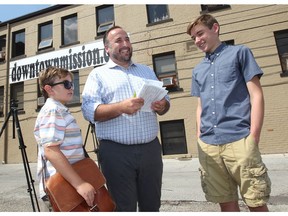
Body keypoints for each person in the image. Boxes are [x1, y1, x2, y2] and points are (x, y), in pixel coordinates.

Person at [186, 14, 271, 212]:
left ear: (215, 28)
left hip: (240, 139)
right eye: (193, 38)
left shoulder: (240, 53)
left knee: (256, 202)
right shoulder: (198, 70)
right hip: (209, 145)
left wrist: (253, 137)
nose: (197, 40)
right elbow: (200, 106)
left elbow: (256, 95)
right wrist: (199, 137)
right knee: (226, 204)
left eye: (200, 34)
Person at [81, 26, 170, 212]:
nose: (125, 44)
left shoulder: (146, 71)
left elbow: (165, 101)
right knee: (123, 207)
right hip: (116, 154)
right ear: (107, 48)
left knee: (152, 206)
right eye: (118, 41)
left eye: (127, 39)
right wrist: (121, 107)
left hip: (150, 151)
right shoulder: (97, 75)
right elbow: (89, 111)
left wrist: (163, 105)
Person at [34, 66, 96, 211]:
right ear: (49, 89)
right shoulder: (53, 110)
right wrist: (79, 184)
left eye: (72, 83)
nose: (71, 87)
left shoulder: (59, 109)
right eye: (66, 84)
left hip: (68, 184)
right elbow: (51, 151)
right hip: (60, 190)